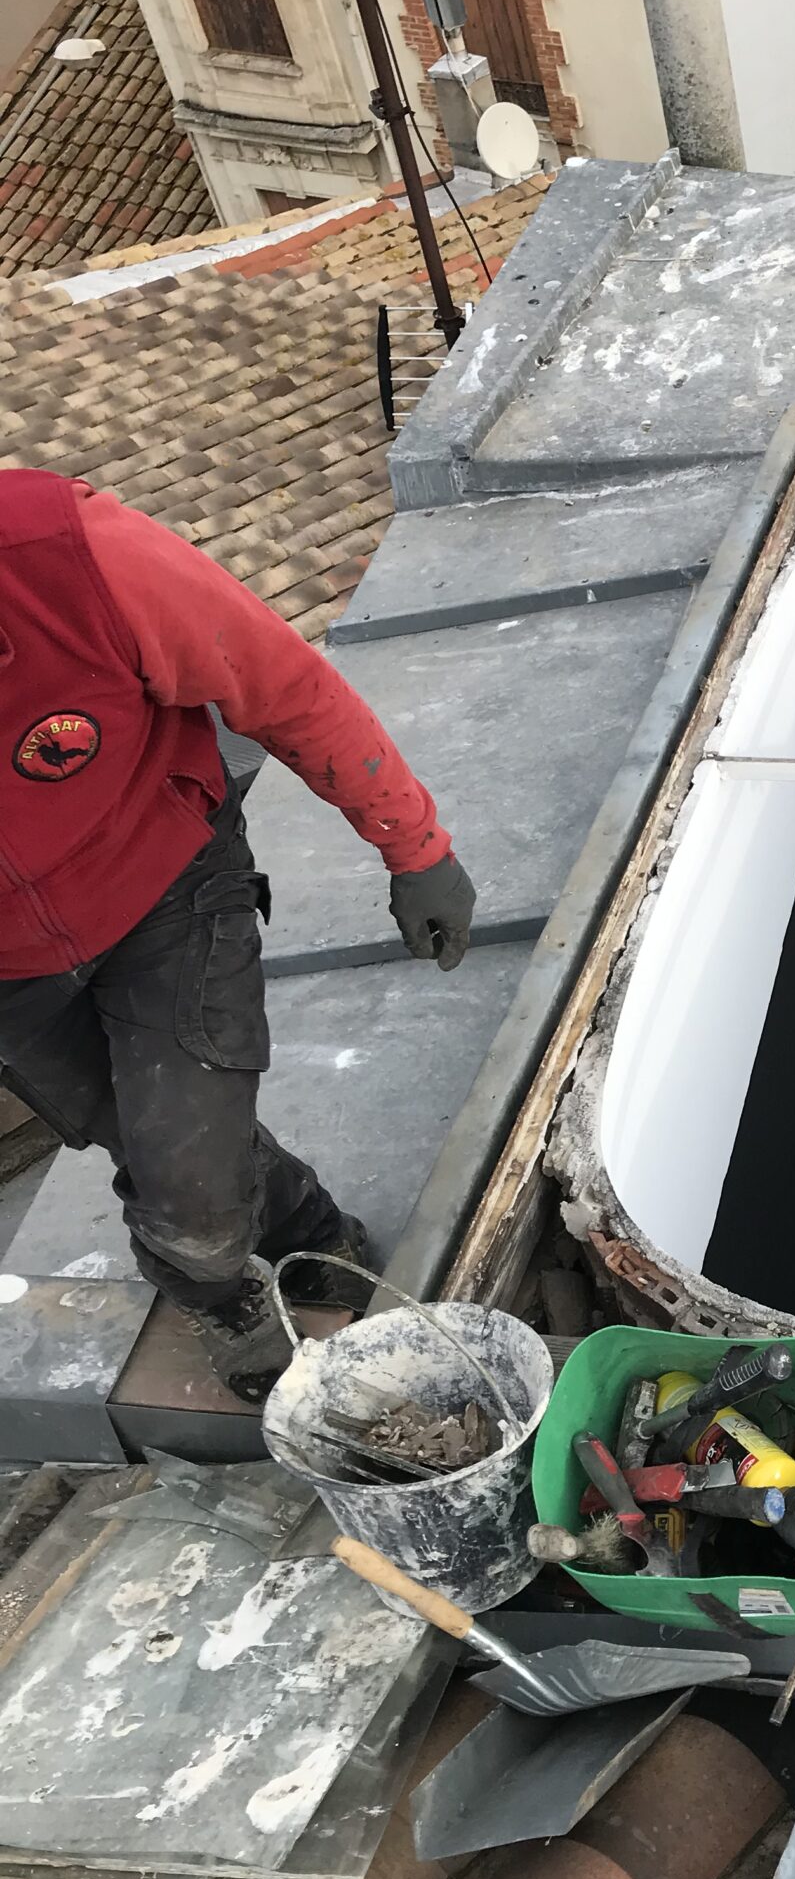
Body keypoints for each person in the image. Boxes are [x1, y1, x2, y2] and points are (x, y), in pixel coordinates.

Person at [0, 468, 476, 1398]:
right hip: (12, 970)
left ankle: (217, 1292)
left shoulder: (77, 560)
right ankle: (306, 1229)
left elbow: (284, 688)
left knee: (188, 1200)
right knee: (139, 1134)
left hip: (163, 886)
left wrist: (413, 847)